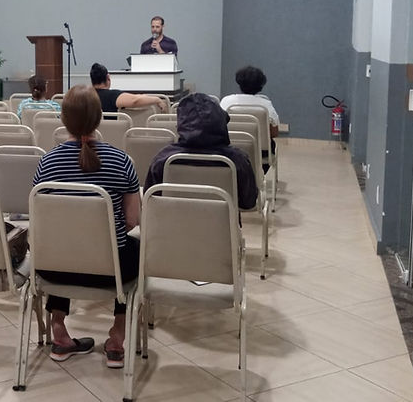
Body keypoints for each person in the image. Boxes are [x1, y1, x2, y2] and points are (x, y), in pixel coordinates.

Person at [32, 85, 141, 370]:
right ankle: (116, 338)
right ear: (99, 118)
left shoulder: (47, 164)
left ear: (63, 119)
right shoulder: (121, 162)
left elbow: (41, 222)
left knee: (61, 242)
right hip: (111, 272)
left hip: (55, 269)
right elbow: (133, 220)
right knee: (138, 248)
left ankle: (59, 330)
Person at [144, 93, 258, 212]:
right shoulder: (237, 159)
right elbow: (248, 202)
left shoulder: (164, 158)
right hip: (222, 229)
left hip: (171, 226)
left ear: (180, 125)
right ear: (221, 122)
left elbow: (150, 199)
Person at [219, 65, 280, 141]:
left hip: (230, 148)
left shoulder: (227, 101)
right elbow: (274, 132)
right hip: (260, 151)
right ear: (260, 85)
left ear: (239, 83)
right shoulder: (265, 105)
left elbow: (219, 125)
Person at [90, 63, 169, 113]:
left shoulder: (85, 95)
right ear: (108, 77)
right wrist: (157, 99)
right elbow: (134, 100)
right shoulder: (111, 96)